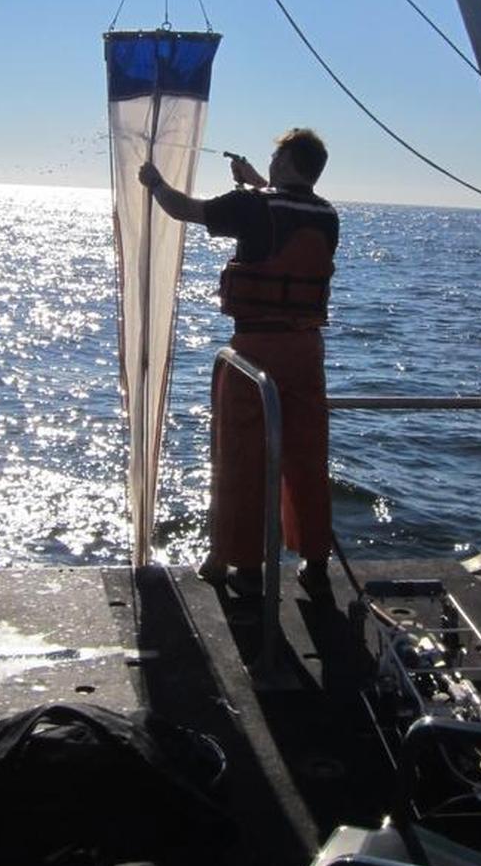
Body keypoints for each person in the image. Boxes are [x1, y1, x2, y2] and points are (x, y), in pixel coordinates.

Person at [139, 128, 338, 600]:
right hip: (306, 352)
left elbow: (184, 209)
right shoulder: (327, 215)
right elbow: (283, 215)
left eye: (275, 157)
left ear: (285, 162)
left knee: (241, 460)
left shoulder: (252, 206)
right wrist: (255, 182)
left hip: (255, 354)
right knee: (307, 459)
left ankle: (246, 570)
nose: (270, 162)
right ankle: (315, 565)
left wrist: (155, 183)